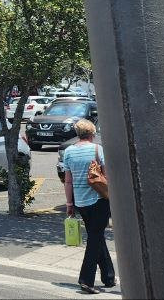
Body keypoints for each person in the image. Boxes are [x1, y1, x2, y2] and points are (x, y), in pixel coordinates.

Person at [63, 119, 114, 293]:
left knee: (96, 236)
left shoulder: (68, 152)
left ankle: (108, 276)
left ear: (78, 133)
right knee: (95, 238)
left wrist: (70, 203)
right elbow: (106, 177)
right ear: (92, 133)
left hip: (81, 202)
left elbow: (68, 181)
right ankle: (86, 280)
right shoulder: (97, 149)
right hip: (99, 200)